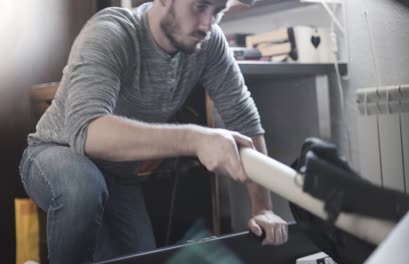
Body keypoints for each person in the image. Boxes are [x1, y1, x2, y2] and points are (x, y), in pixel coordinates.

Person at [19, 0, 288, 263]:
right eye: (199, 6)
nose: (207, 23)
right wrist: (195, 139)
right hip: (56, 152)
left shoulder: (210, 43)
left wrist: (263, 208)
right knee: (83, 187)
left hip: (119, 175)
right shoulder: (112, 30)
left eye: (218, 11)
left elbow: (243, 120)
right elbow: (87, 131)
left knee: (141, 256)